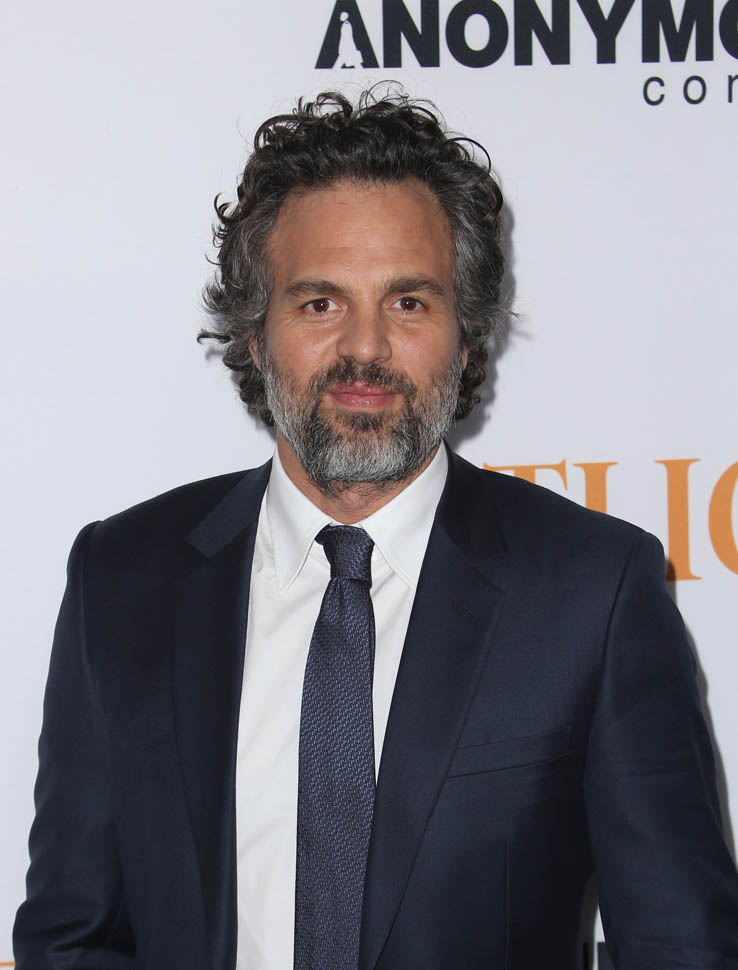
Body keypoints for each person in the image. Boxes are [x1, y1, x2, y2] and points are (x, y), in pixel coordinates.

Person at [14, 88, 738, 970]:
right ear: (256, 333)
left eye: (409, 303)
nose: (365, 348)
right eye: (320, 303)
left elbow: (680, 945)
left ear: (467, 336)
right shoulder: (122, 579)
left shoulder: (594, 592)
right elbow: (72, 938)